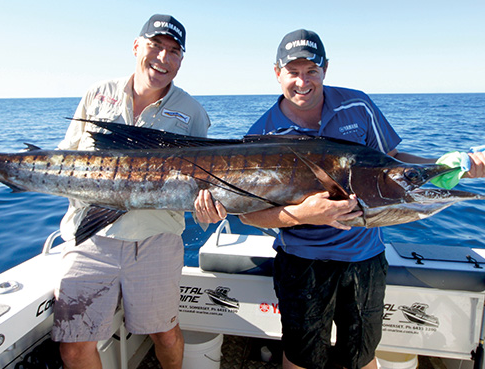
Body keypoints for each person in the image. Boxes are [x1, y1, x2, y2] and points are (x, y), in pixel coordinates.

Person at [196, 29, 485, 369]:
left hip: (365, 259)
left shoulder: (357, 105)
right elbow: (251, 217)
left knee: (361, 357)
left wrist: (455, 168)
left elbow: (392, 163)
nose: (303, 82)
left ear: (325, 70)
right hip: (302, 263)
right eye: (293, 72)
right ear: (277, 73)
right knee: (300, 359)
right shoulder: (262, 136)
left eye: (311, 72)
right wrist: (303, 214)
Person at [0, 14, 222, 369]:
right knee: (73, 344)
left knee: (165, 333)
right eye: (155, 46)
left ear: (181, 59)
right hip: (91, 239)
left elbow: (205, 180)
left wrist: (210, 207)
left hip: (156, 241)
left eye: (173, 51)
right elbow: (63, 162)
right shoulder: (98, 94)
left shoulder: (191, 111)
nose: (163, 58)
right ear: (136, 47)